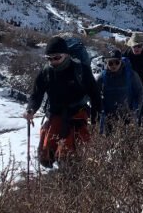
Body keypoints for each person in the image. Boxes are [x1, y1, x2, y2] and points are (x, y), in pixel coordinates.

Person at [24, 36, 101, 168]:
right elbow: (36, 94)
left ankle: (72, 181)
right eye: (49, 58)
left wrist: (95, 119)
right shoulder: (46, 72)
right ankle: (64, 181)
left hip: (77, 116)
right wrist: (31, 109)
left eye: (57, 57)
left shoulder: (81, 70)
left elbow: (95, 95)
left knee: (72, 157)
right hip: (55, 114)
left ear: (66, 55)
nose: (53, 61)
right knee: (47, 156)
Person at [95, 49, 142, 134]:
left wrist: (136, 111)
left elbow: (139, 92)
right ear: (106, 63)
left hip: (127, 116)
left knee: (128, 144)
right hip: (108, 118)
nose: (114, 65)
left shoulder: (131, 75)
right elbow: (95, 94)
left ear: (121, 61)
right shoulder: (102, 77)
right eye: (110, 63)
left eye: (116, 62)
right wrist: (101, 108)